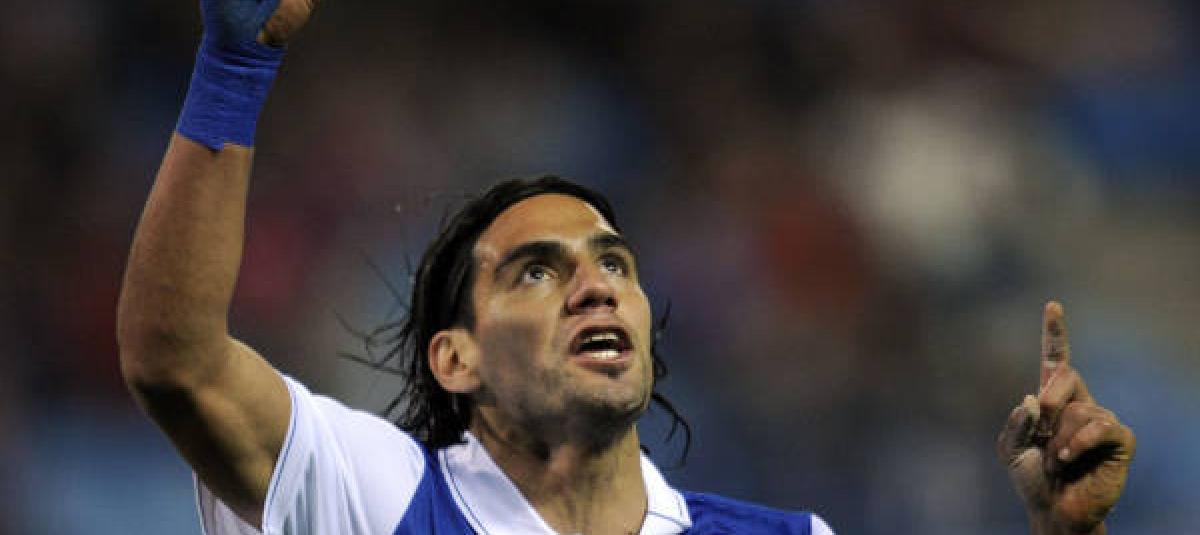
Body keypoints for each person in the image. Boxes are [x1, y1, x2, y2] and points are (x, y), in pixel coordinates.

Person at [116, 0, 1136, 533]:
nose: (596, 283)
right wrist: (234, 70)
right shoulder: (377, 498)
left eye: (614, 261)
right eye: (535, 271)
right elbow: (175, 361)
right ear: (456, 358)